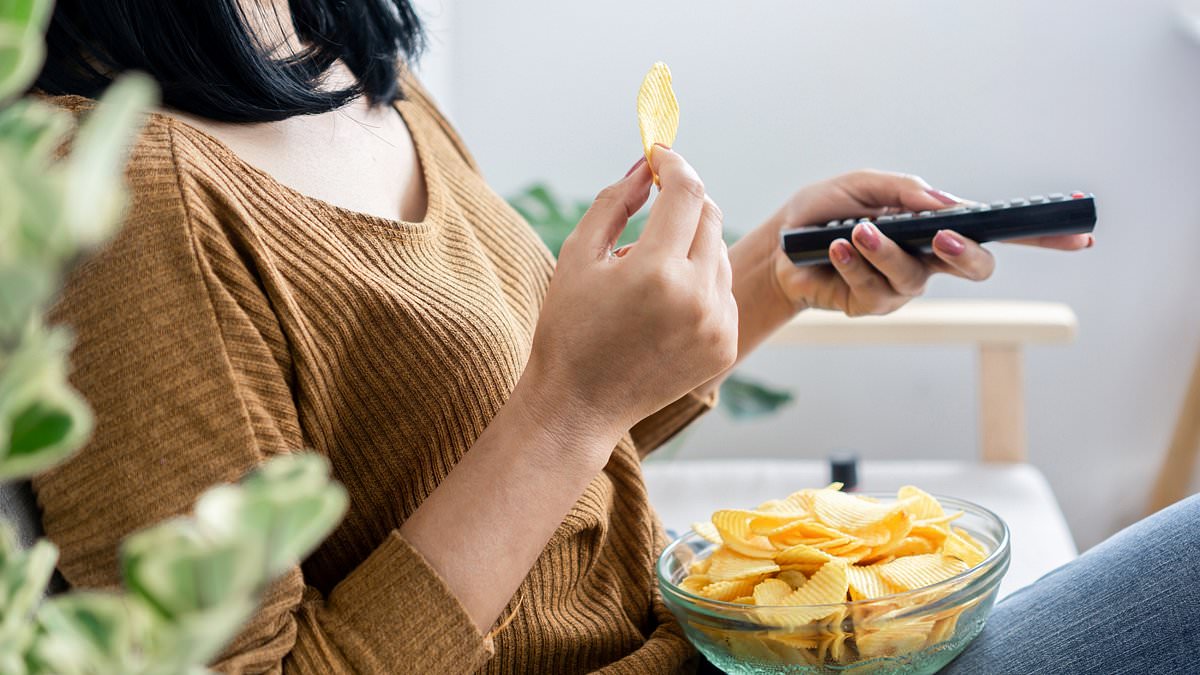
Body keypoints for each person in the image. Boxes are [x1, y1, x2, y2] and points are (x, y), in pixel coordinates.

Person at [30, 2, 1103, 673]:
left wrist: (774, 273)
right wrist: (566, 413)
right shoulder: (126, 199)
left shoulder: (344, 54)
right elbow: (553, 420)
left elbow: (524, 440)